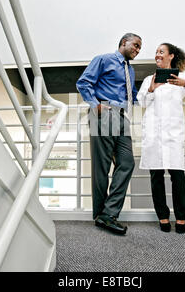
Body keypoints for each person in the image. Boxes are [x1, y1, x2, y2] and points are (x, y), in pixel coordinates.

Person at [137, 43, 185, 233]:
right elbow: (141, 102)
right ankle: (163, 216)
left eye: (161, 52)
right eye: (156, 52)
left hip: (173, 135)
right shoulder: (148, 79)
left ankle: (181, 218)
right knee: (156, 177)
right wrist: (152, 89)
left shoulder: (182, 78)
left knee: (178, 177)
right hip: (154, 134)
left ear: (171, 56)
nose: (157, 55)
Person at [76, 33, 142, 235]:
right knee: (102, 167)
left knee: (127, 162)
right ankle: (101, 215)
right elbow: (84, 82)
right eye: (136, 45)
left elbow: (134, 95)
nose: (137, 50)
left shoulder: (129, 70)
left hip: (123, 117)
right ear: (124, 42)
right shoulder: (104, 59)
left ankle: (108, 212)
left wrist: (154, 90)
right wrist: (95, 105)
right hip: (104, 112)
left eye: (140, 48)